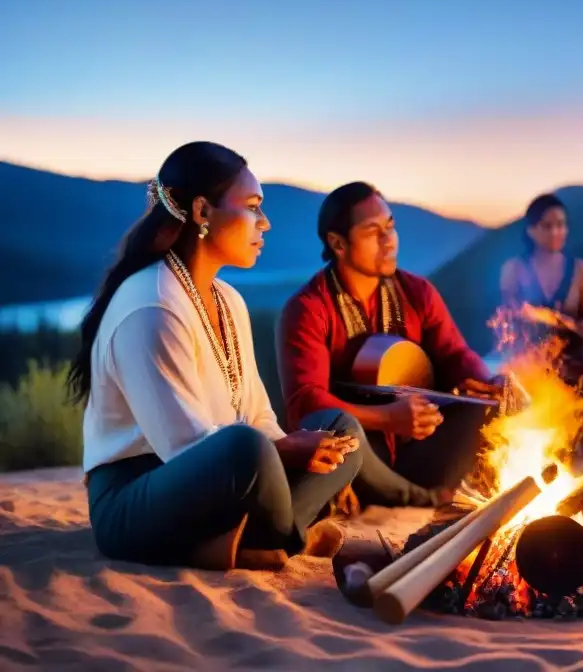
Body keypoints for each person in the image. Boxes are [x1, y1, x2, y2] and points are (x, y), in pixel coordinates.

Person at [70, 141, 366, 571]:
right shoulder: (151, 305)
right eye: (252, 207)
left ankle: (258, 540)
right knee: (246, 448)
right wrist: (283, 451)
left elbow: (258, 413)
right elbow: (185, 449)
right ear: (202, 212)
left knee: (342, 431)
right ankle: (285, 537)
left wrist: (288, 445)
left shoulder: (228, 301)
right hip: (135, 500)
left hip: (226, 476)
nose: (264, 224)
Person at [275, 182, 505, 507]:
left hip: (419, 444)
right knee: (343, 433)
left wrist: (491, 382)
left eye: (391, 227)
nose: (388, 241)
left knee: (484, 411)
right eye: (373, 232)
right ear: (338, 243)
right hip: (360, 457)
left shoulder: (417, 292)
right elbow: (306, 403)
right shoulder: (309, 308)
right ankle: (417, 499)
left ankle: (439, 494)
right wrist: (386, 418)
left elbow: (454, 354)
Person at [498, 194, 583, 444]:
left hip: (570, 359)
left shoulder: (580, 270)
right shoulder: (515, 268)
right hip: (527, 360)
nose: (556, 232)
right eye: (547, 226)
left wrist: (559, 320)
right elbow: (505, 318)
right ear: (531, 230)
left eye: (561, 225)